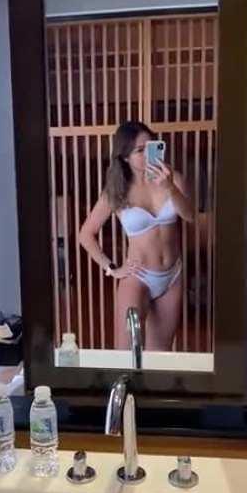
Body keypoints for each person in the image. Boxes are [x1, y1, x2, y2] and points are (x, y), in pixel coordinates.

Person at [79, 120, 194, 350]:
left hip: (171, 276)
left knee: (159, 357)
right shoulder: (117, 191)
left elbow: (190, 216)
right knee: (126, 354)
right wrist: (112, 268)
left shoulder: (174, 179)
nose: (147, 154)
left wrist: (170, 188)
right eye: (140, 150)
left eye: (151, 146)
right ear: (125, 157)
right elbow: (86, 234)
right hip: (138, 277)